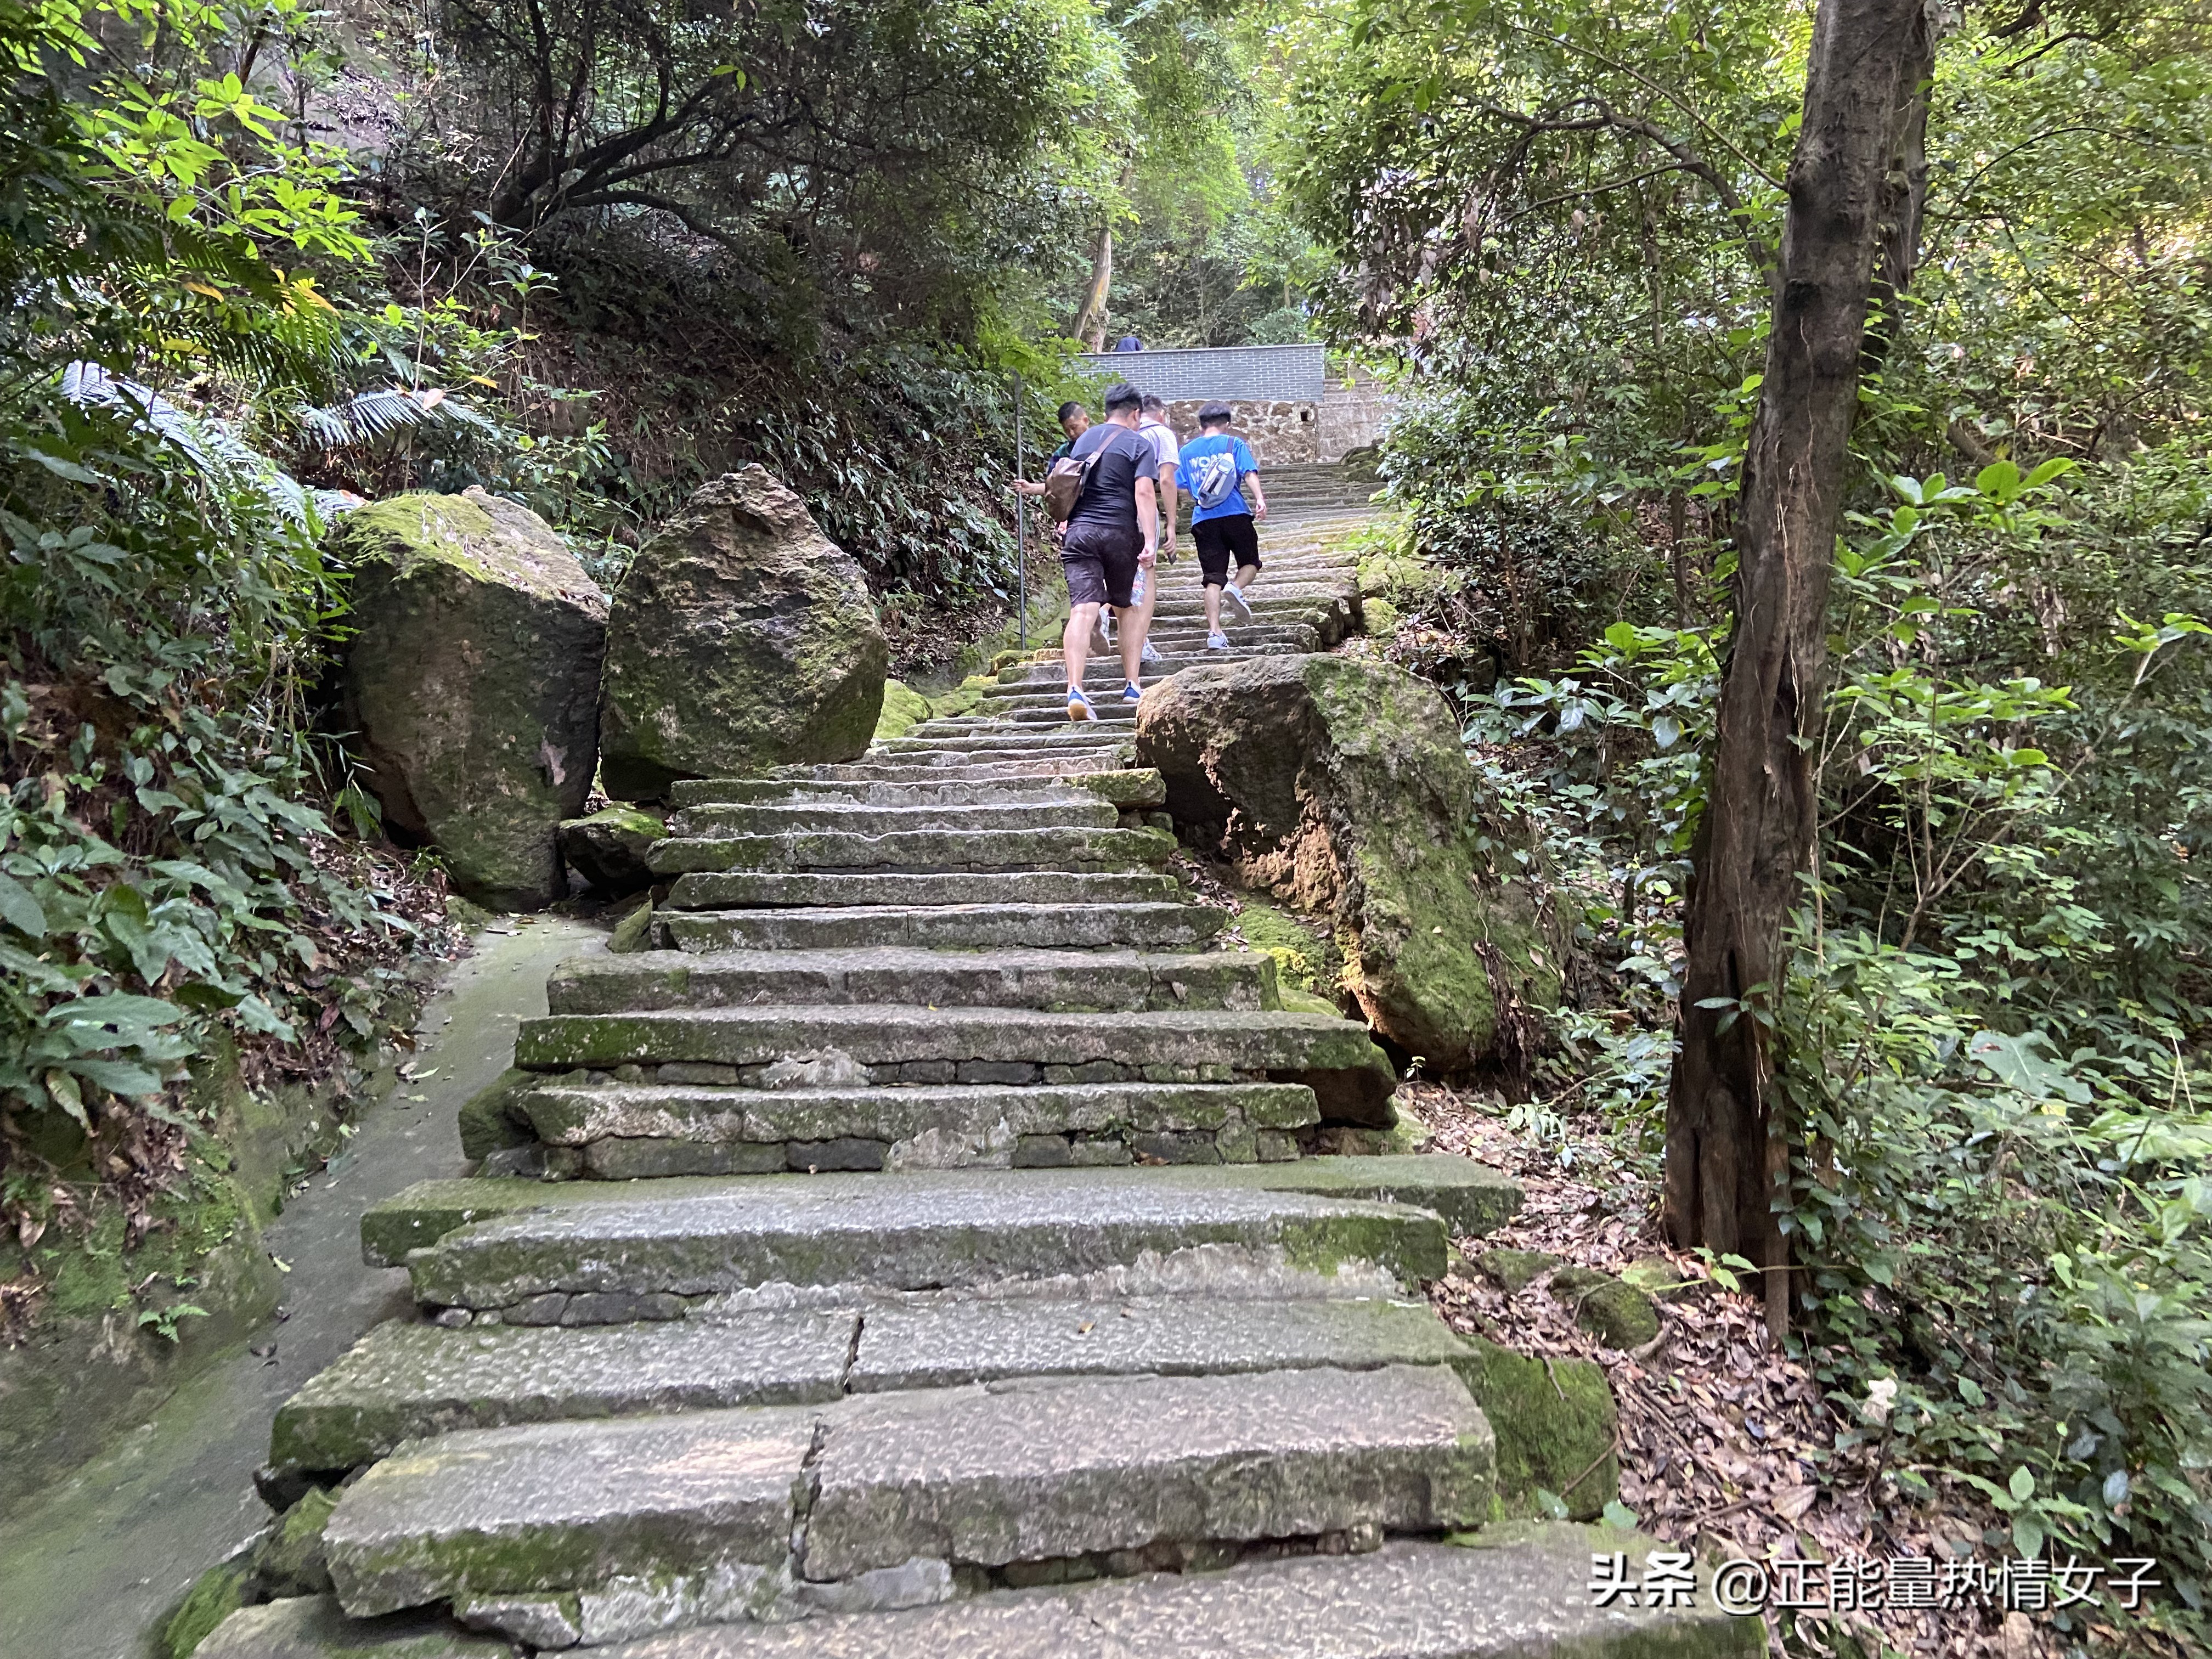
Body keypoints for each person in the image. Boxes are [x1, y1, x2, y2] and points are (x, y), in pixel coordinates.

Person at [1056, 382, 1159, 719]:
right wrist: (1150, 541)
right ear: (1136, 414)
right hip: (1119, 534)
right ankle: (1131, 686)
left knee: (1083, 610)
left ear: (1104, 414)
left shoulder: (1083, 439)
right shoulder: (1139, 443)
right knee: (1125, 607)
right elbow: (1144, 494)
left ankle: (1075, 689)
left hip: (1080, 531)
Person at [1175, 400, 1268, 650]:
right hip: (1235, 513)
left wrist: (1197, 497)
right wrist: (1259, 499)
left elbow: (1180, 486)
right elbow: (1249, 472)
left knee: (1212, 579)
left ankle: (1215, 634)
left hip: (1204, 519)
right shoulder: (1233, 444)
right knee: (1250, 563)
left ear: (1201, 425)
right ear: (1227, 424)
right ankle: (1236, 588)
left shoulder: (1186, 452)